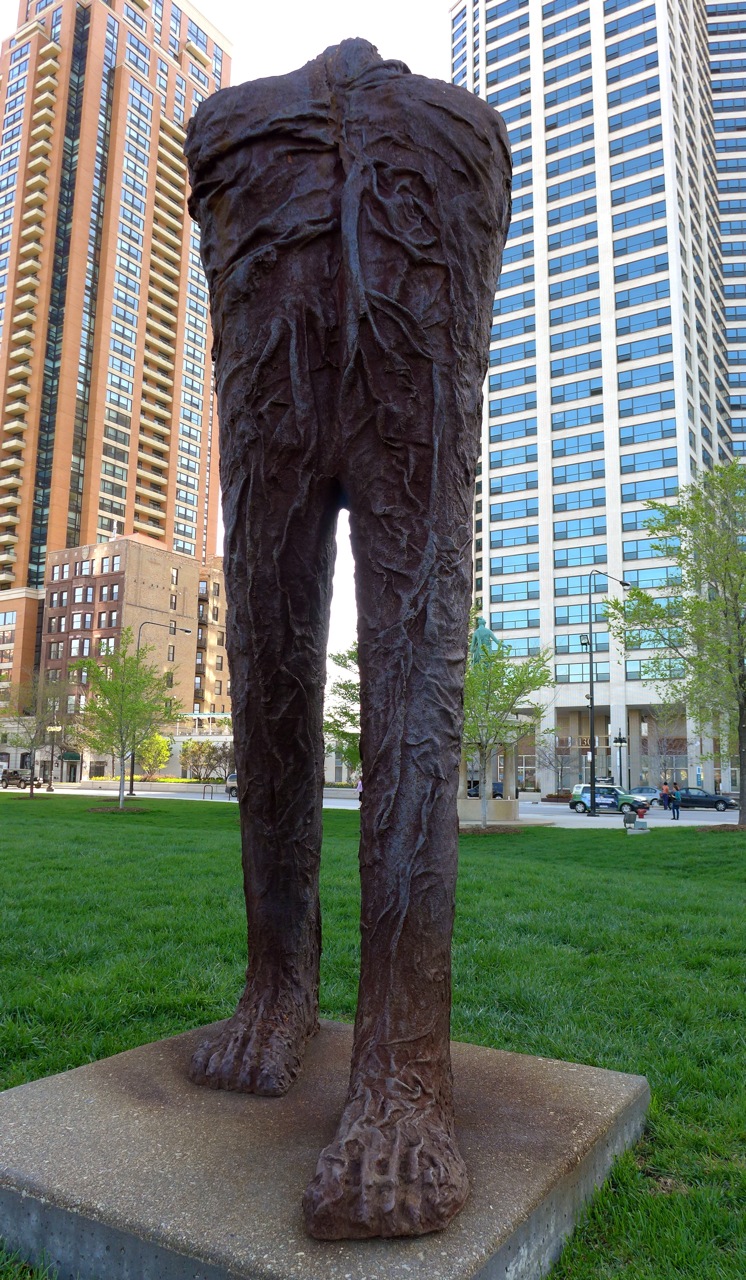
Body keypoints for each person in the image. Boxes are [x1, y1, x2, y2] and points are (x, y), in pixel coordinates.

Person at [185, 39, 512, 1242]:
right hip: (269, 395)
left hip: (409, 401)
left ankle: (402, 1064)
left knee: (413, 691)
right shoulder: (224, 126)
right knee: (268, 671)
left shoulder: (461, 129)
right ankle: (278, 983)